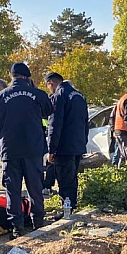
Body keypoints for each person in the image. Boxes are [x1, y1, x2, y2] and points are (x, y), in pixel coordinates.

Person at [0, 62, 53, 237]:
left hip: (10, 149)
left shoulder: (0, 96)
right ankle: (38, 222)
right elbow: (49, 111)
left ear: (11, 76)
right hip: (33, 148)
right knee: (35, 186)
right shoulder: (37, 94)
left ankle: (17, 227)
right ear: (27, 77)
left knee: (12, 189)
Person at [45, 72, 89, 212]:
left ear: (51, 83)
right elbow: (85, 123)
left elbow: (54, 125)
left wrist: (51, 149)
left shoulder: (59, 96)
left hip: (63, 147)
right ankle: (71, 208)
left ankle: (67, 211)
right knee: (72, 179)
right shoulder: (80, 96)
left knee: (64, 182)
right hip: (78, 145)